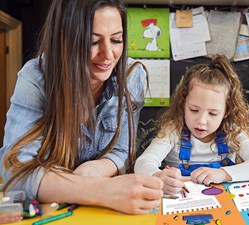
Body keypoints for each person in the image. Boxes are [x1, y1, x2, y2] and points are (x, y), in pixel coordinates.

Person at [0, 0, 163, 215]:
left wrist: (95, 169)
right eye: (93, 42)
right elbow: (14, 171)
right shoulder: (35, 78)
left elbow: (123, 149)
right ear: (65, 41)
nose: (108, 55)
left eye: (116, 40)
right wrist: (99, 189)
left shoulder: (133, 77)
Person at [134, 54, 249, 194]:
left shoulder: (232, 132)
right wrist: (158, 176)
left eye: (213, 114)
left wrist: (223, 174)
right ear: (183, 104)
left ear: (227, 111)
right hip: (183, 202)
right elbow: (143, 163)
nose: (201, 121)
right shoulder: (173, 130)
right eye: (194, 110)